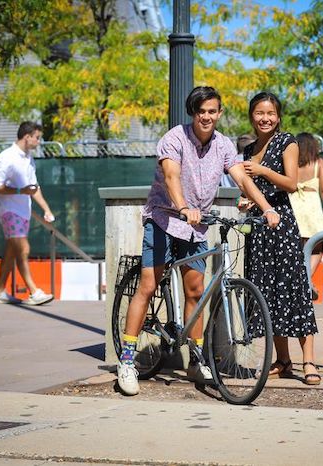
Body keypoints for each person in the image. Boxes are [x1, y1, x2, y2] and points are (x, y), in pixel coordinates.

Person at [116, 86, 280, 396]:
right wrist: (182, 207)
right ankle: (127, 361)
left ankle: (197, 357)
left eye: (212, 111)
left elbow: (242, 178)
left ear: (219, 113)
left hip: (196, 225)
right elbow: (171, 176)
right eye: (201, 111)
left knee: (196, 290)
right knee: (149, 285)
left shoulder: (223, 145)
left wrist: (266, 207)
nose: (206, 116)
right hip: (165, 217)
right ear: (194, 113)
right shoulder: (174, 139)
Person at [240, 92, 321, 386]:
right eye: (260, 113)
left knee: (294, 291)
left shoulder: (287, 142)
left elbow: (291, 183)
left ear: (278, 116)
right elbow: (252, 190)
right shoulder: (248, 150)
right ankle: (283, 360)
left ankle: (308, 361)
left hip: (282, 226)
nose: (265, 118)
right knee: (267, 294)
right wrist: (246, 201)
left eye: (270, 113)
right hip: (259, 228)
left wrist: (262, 170)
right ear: (252, 115)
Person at [0, 121, 55, 306]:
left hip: (23, 212)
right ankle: (34, 292)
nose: (38, 142)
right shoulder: (6, 157)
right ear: (27, 137)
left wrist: (46, 209)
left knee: (11, 253)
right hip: (9, 212)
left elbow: (33, 188)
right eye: (37, 138)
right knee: (23, 249)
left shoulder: (28, 158)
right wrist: (20, 191)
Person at [289, 132, 323, 301]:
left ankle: (299, 280)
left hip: (293, 204)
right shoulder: (318, 163)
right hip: (312, 207)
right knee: (317, 247)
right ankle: (306, 278)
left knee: (296, 247)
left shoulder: (291, 163)